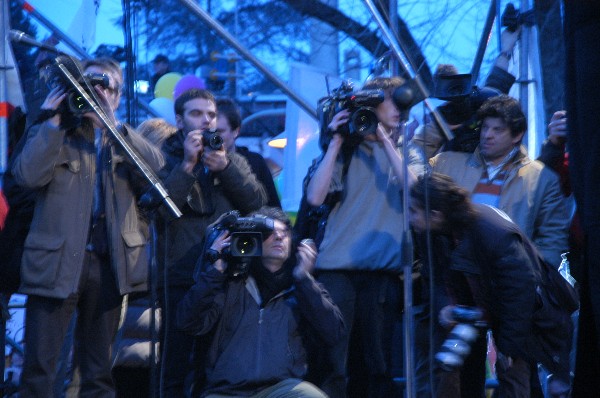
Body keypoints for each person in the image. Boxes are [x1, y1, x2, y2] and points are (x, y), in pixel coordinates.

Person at [12, 57, 165, 397]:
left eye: (104, 85)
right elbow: (26, 176)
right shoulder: (56, 132)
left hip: (109, 265)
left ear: (118, 95)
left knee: (98, 372)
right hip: (56, 262)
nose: (95, 92)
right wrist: (52, 123)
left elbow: (158, 174)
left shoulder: (124, 138)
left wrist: (113, 126)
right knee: (40, 368)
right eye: (88, 84)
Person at [303, 76, 424, 398]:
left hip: (382, 274)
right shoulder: (346, 149)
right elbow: (315, 197)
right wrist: (336, 142)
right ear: (371, 104)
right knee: (333, 364)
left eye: (402, 102)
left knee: (377, 366)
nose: (399, 109)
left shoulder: (408, 152)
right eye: (390, 102)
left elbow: (415, 190)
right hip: (337, 270)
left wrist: (385, 139)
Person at [409, 172, 573, 398]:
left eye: (414, 211)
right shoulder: (432, 233)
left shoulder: (491, 230)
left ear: (435, 214)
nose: (410, 218)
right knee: (451, 370)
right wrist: (446, 306)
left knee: (512, 374)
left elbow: (520, 289)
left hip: (518, 313)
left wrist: (509, 345)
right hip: (472, 309)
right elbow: (435, 277)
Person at [155, 88, 267, 396]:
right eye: (196, 114)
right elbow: (161, 211)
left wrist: (225, 169)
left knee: (216, 365)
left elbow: (257, 203)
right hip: (180, 277)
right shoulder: (164, 158)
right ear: (179, 120)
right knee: (175, 364)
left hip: (226, 276)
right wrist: (188, 166)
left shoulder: (232, 159)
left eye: (211, 115)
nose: (207, 121)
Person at [177, 206, 345, 398]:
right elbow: (187, 322)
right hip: (225, 390)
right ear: (253, 238)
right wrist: (215, 270)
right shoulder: (230, 283)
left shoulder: (300, 287)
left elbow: (334, 333)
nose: (280, 237)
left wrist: (304, 280)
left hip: (281, 389)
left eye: (284, 233)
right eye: (270, 233)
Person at [429, 94, 570, 269]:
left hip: (511, 278)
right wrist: (434, 127)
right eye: (485, 127)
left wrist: (533, 275)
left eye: (498, 130)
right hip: (458, 275)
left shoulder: (541, 178)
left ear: (517, 135)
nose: (487, 135)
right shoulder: (447, 163)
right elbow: (411, 173)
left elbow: (553, 238)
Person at [412, 27, 520, 160]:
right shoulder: (437, 117)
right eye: (447, 89)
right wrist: (442, 125)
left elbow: (497, 80)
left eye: (457, 87)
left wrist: (507, 46)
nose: (454, 96)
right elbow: (415, 155)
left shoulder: (481, 102)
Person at [215, 98, 281, 208]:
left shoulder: (255, 163)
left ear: (236, 131)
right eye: (210, 131)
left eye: (220, 131)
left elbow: (272, 208)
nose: (214, 137)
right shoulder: (197, 162)